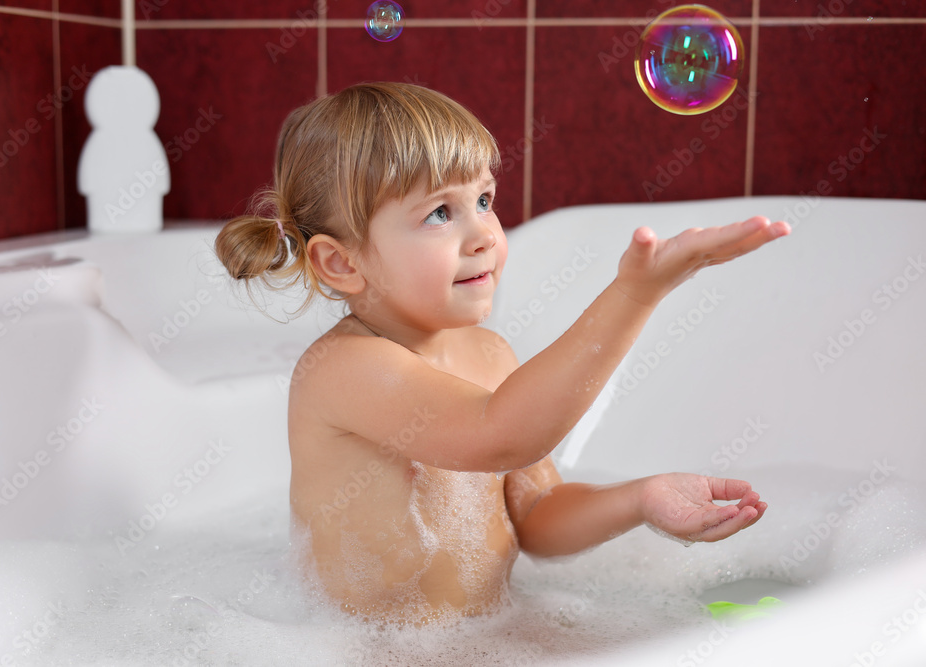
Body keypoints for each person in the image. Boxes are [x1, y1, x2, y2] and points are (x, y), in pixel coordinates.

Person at [215, 82, 789, 624]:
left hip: (483, 635)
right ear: (343, 263)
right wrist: (636, 293)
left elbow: (536, 517)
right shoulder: (344, 370)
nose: (484, 233)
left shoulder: (490, 354)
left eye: (484, 199)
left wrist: (640, 499)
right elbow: (501, 435)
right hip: (372, 652)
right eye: (439, 213)